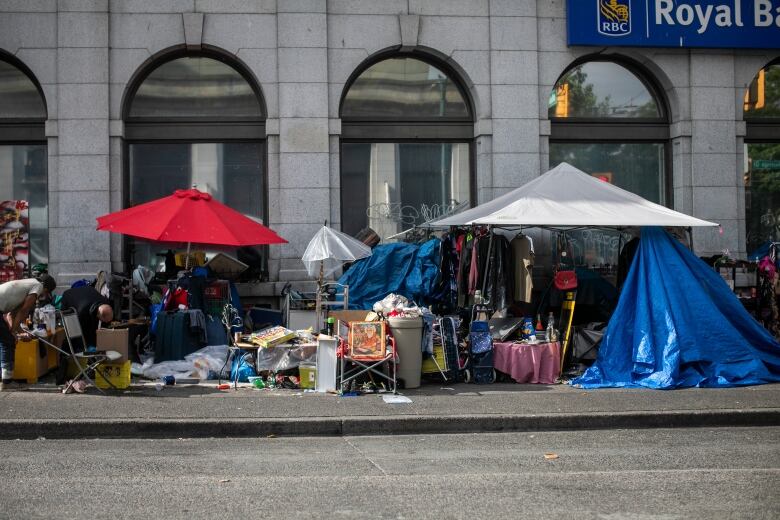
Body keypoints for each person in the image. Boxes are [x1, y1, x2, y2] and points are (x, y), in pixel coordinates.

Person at [0, 274, 57, 391]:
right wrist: (13, 333)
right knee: (7, 342)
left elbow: (12, 314)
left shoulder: (27, 283)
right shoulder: (38, 286)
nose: (42, 296)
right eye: (46, 293)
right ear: (46, 289)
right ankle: (7, 382)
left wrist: (17, 331)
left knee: (5, 340)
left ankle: (4, 380)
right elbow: (25, 310)